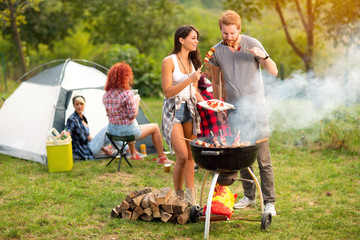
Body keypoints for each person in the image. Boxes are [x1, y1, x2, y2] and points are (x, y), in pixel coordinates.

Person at [208, 10, 278, 216]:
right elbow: (216, 81)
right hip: (234, 111)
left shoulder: (252, 44)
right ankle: (249, 196)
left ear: (239, 29)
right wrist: (220, 106)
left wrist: (263, 57)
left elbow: (273, 70)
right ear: (221, 30)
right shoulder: (217, 51)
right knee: (241, 156)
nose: (228, 37)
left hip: (257, 110)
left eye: (232, 33)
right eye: (224, 33)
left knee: (263, 159)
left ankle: (269, 202)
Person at [161, 25, 203, 205]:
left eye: (197, 38)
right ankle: (178, 197)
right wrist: (189, 79)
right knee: (182, 156)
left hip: (190, 109)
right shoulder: (168, 61)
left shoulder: (193, 62)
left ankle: (191, 198)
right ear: (181, 40)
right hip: (174, 110)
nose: (196, 41)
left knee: (191, 156)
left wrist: (210, 105)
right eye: (193, 38)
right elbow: (167, 92)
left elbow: (194, 90)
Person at [102, 62, 173, 164]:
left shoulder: (107, 94)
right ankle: (162, 157)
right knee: (155, 127)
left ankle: (133, 154)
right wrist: (136, 101)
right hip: (127, 132)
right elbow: (132, 115)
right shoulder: (127, 94)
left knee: (129, 123)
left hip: (112, 131)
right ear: (125, 77)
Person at [61, 95, 128, 160]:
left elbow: (89, 137)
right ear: (74, 105)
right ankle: (129, 150)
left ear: (84, 105)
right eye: (77, 104)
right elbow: (68, 131)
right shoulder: (72, 119)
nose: (79, 106)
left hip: (90, 145)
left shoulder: (83, 118)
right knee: (107, 129)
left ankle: (127, 149)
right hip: (85, 149)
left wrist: (104, 150)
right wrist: (64, 134)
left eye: (81, 104)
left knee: (110, 136)